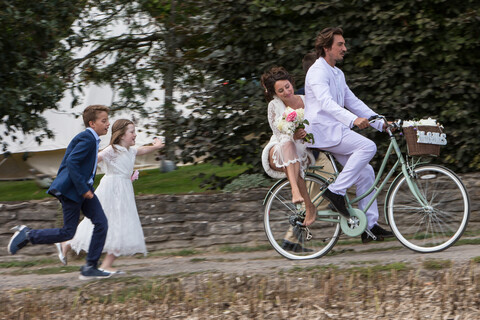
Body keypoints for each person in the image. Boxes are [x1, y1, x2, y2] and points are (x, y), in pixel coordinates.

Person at [304, 27, 394, 243]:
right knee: (367, 147)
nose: (345, 48)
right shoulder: (317, 71)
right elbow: (326, 103)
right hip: (323, 131)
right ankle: (335, 192)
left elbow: (352, 101)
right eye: (340, 45)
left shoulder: (337, 72)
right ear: (326, 48)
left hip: (335, 130)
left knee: (366, 172)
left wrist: (380, 123)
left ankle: (368, 227)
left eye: (344, 44)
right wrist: (352, 120)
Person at [7, 105, 112, 279]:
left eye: (107, 120)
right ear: (92, 123)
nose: (108, 124)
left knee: (101, 222)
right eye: (104, 120)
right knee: (68, 232)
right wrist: (83, 188)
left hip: (83, 188)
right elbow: (72, 163)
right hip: (74, 190)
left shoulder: (91, 139)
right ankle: (28, 235)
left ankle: (90, 267)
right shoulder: (87, 138)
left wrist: (86, 187)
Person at [56, 119, 164, 273]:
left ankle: (106, 264)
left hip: (124, 191)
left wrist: (156, 147)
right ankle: (67, 242)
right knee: (97, 223)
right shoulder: (111, 151)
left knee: (122, 226)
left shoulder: (130, 151)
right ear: (121, 135)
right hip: (110, 190)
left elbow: (142, 150)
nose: (135, 134)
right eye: (132, 132)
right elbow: (93, 160)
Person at [260, 66, 316, 228]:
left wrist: (304, 133)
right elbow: (278, 133)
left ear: (292, 83)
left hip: (303, 149)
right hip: (278, 148)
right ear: (275, 93)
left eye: (287, 87)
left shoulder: (306, 100)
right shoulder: (274, 105)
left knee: (294, 158)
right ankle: (296, 192)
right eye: (280, 90)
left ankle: (308, 205)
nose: (286, 92)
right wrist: (293, 135)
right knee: (287, 143)